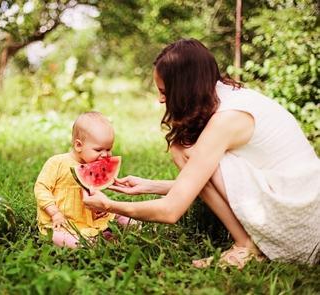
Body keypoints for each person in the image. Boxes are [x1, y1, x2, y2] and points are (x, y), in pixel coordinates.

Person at [82, 38, 320, 268]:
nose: (160, 99)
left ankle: (245, 247)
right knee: (188, 149)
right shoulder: (224, 95)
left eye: (165, 91)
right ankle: (246, 243)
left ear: (184, 90)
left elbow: (171, 210)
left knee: (183, 150)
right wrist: (148, 185)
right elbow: (214, 180)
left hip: (299, 223)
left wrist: (111, 205)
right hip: (301, 205)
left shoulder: (227, 121)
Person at [34, 111, 137, 248]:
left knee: (119, 215)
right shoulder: (56, 163)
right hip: (61, 221)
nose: (105, 155)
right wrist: (55, 212)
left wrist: (101, 209)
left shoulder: (93, 165)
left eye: (109, 149)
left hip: (91, 219)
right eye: (99, 149)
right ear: (78, 145)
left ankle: (133, 227)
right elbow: (41, 188)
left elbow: (93, 196)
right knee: (57, 236)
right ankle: (89, 243)